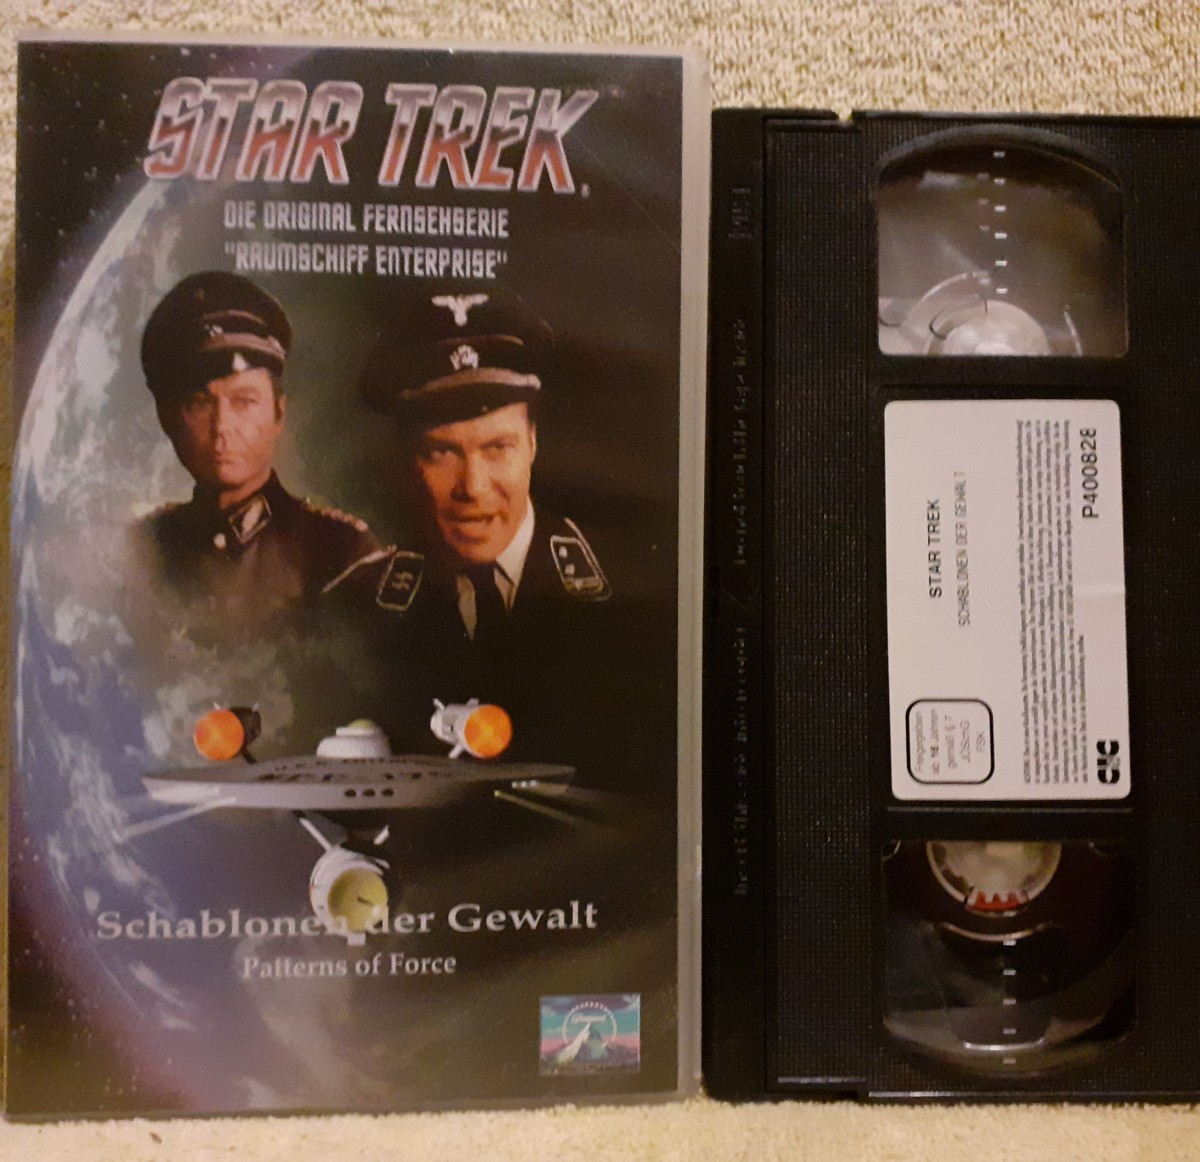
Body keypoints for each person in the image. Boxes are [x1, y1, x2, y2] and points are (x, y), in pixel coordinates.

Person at [327, 288, 649, 784]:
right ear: (408, 461)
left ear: (533, 445)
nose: (472, 487)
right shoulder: (355, 605)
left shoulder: (637, 598)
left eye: (498, 448)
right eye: (441, 452)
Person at [132, 271, 378, 635]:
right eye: (199, 403)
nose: (222, 426)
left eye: (244, 401)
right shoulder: (143, 548)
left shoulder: (340, 552)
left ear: (278, 413)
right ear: (168, 420)